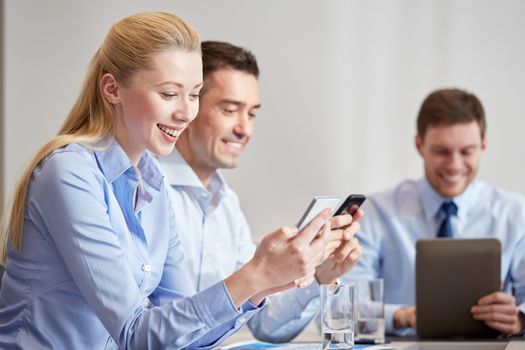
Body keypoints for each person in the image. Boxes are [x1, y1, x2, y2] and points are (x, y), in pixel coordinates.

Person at [0, 12, 337, 349]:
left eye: (193, 95)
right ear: (112, 89)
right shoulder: (70, 173)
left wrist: (265, 283)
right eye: (169, 94)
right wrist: (255, 275)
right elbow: (135, 335)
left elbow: (181, 337)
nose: (186, 113)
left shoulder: (153, 184)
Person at [158, 41, 364, 342]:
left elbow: (265, 324)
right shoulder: (145, 189)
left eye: (252, 114)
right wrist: (261, 272)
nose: (245, 129)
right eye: (230, 110)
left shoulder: (227, 204)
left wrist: (319, 273)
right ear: (188, 105)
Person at [343, 88, 525, 337]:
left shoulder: (515, 213)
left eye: (466, 151)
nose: (454, 164)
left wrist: (519, 321)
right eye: (442, 151)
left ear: (483, 145)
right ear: (419, 145)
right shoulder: (376, 213)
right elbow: (340, 308)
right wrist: (402, 316)